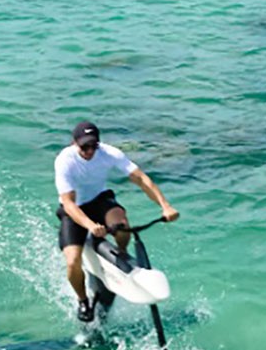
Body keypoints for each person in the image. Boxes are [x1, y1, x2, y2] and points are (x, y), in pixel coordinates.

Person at [54, 121, 180, 321]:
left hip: (100, 200)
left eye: (93, 146)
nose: (89, 151)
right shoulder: (65, 160)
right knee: (72, 262)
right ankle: (83, 301)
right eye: (84, 147)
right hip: (74, 210)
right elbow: (68, 204)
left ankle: (121, 254)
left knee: (122, 225)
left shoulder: (109, 153)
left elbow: (140, 178)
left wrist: (165, 206)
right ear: (74, 143)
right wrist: (90, 226)